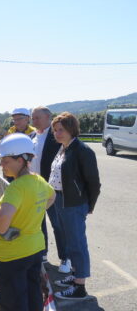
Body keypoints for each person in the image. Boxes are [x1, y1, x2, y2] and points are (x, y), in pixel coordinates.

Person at [0, 134, 55, 311]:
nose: (1, 164)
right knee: (32, 297)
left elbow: (3, 220)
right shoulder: (38, 181)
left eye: (6, 160)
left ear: (22, 159)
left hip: (12, 256)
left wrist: (6, 231)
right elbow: (50, 198)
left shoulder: (16, 188)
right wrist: (31, 217)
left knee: (13, 303)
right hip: (34, 250)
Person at [49, 112, 101, 300]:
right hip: (60, 200)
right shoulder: (63, 148)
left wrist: (89, 205)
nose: (57, 133)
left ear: (71, 129)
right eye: (55, 130)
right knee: (70, 242)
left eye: (61, 130)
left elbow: (94, 183)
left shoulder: (82, 150)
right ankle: (74, 275)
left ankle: (80, 287)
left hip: (73, 203)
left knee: (77, 243)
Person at [30, 106, 69, 272]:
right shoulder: (32, 136)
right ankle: (43, 252)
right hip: (34, 187)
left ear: (48, 118)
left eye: (37, 118)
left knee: (58, 224)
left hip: (51, 189)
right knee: (38, 223)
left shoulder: (56, 138)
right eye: (33, 118)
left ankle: (66, 258)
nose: (34, 121)